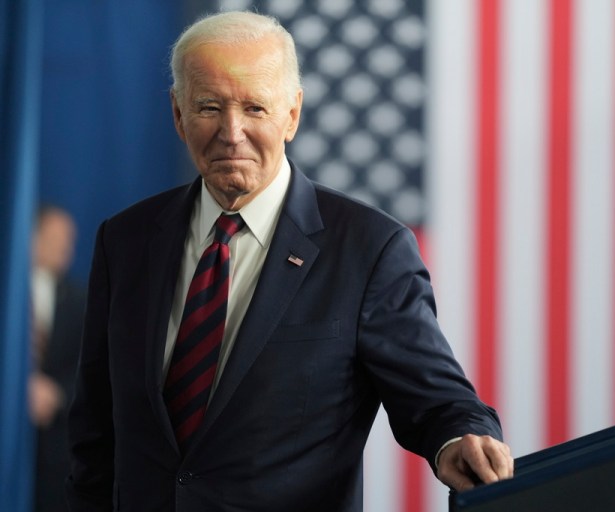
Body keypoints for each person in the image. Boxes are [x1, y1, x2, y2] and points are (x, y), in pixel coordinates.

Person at [65, 10, 513, 512]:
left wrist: (461, 438)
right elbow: (95, 429)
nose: (231, 133)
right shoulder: (124, 240)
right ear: (177, 113)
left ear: (292, 114)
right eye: (209, 106)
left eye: (255, 108)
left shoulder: (369, 248)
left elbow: (438, 402)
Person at [29, 205, 86, 512]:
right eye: (57, 236)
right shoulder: (9, 291)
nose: (67, 246)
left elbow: (89, 364)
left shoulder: (80, 298)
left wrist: (56, 393)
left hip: (56, 445)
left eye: (70, 238)